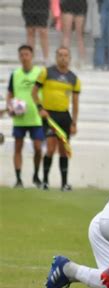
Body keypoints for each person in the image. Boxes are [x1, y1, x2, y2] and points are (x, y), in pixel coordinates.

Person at [32, 47, 81, 191]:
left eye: (66, 55)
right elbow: (34, 93)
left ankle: (64, 183)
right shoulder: (46, 73)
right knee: (51, 147)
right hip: (49, 116)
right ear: (56, 57)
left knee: (63, 149)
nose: (63, 58)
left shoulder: (74, 78)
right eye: (60, 55)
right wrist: (40, 108)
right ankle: (45, 181)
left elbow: (76, 103)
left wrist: (74, 122)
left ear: (69, 58)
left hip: (64, 116)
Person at [6, 45, 44, 188]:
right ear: (19, 57)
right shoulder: (15, 74)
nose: (24, 57)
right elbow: (10, 93)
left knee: (38, 147)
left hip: (35, 117)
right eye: (21, 54)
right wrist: (10, 107)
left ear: (32, 56)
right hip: (19, 118)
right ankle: (18, 179)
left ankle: (36, 175)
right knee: (18, 147)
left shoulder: (39, 73)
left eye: (26, 54)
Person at [22, 0, 50, 64]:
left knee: (43, 32)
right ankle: (31, 57)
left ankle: (46, 58)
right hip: (29, 4)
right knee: (30, 31)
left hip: (43, 5)